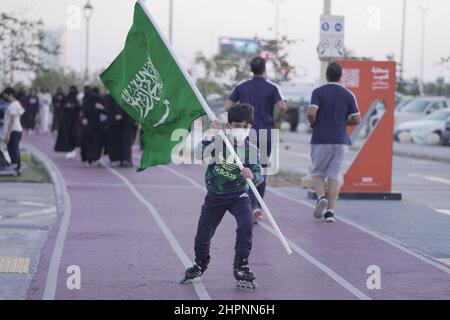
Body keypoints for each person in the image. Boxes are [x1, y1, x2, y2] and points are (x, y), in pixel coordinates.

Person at [181, 103, 263, 289]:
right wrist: (212, 135)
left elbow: (258, 176)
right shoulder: (219, 142)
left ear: (250, 127)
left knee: (246, 225)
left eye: (245, 126)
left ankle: (241, 265)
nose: (240, 130)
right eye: (236, 125)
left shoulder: (252, 151)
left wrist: (253, 175)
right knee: (203, 234)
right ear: (229, 126)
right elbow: (198, 152)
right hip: (215, 196)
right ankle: (201, 262)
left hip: (238, 195)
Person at [224, 57, 287, 223]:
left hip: (245, 133)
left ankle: (248, 205)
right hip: (265, 132)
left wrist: (234, 122)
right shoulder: (273, 87)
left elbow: (227, 106)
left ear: (251, 69)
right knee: (262, 170)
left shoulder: (241, 87)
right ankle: (257, 205)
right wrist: (276, 120)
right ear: (265, 69)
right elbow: (282, 106)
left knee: (245, 168)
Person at [307, 62, 361, 223]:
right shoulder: (348, 94)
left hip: (321, 139)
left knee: (317, 172)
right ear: (340, 76)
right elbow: (357, 118)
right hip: (341, 141)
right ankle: (330, 212)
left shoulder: (318, 92)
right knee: (335, 176)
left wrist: (313, 123)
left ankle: (320, 197)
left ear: (327, 75)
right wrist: (345, 123)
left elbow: (311, 113)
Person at [104, 93, 136, 167]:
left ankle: (126, 159)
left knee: (125, 139)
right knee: (123, 140)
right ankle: (124, 159)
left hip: (126, 119)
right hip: (123, 118)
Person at [80, 87, 108, 166]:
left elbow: (107, 111)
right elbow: (84, 110)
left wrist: (101, 108)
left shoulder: (101, 100)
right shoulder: (88, 101)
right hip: (90, 125)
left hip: (99, 125)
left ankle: (96, 158)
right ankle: (90, 158)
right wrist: (84, 118)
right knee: (90, 141)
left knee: (97, 142)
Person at [1, 87, 25, 175]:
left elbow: (12, 120)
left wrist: (7, 135)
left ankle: (16, 169)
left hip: (14, 131)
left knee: (14, 150)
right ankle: (17, 169)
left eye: (5, 96)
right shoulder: (14, 104)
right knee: (13, 150)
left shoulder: (14, 105)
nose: (5, 98)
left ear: (11, 95)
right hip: (14, 131)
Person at [54, 85, 81, 158]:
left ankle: (74, 148)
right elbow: (61, 106)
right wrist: (66, 106)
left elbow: (79, 108)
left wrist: (74, 106)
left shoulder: (77, 99)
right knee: (67, 135)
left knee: (75, 134)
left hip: (74, 120)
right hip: (67, 120)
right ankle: (70, 149)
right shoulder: (66, 98)